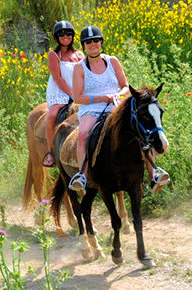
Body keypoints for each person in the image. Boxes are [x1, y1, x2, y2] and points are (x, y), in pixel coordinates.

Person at [68, 25, 170, 193]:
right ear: (84, 46)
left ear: (101, 42)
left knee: (138, 129)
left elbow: (125, 86)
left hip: (115, 106)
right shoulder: (80, 67)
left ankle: (154, 173)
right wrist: (102, 98)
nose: (93, 44)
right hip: (91, 108)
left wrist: (117, 95)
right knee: (83, 134)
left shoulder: (112, 61)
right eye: (88, 42)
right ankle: (82, 175)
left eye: (96, 41)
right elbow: (78, 97)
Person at [42, 21, 84, 167]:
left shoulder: (79, 54)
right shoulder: (54, 55)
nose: (65, 36)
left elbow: (85, 74)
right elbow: (57, 77)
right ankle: (50, 153)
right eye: (61, 34)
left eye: (68, 33)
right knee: (52, 115)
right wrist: (71, 94)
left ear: (72, 36)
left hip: (78, 91)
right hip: (60, 92)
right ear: (57, 37)